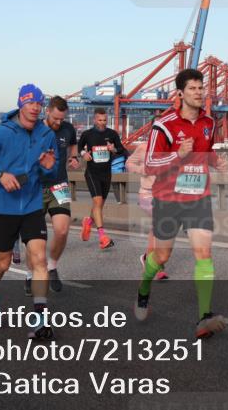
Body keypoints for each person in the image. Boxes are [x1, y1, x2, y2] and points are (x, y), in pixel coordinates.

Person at [135, 68, 228, 339]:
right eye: (192, 88)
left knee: (204, 254)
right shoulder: (164, 125)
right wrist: (177, 154)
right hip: (168, 199)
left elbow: (205, 151)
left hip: (198, 197)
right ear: (180, 93)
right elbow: (150, 163)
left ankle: (204, 317)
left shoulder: (209, 122)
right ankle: (144, 288)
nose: (198, 92)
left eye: (201, 88)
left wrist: (216, 161)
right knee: (162, 257)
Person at [0, 84, 58, 340]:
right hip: (4, 206)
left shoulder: (46, 134)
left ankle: (41, 319)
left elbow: (51, 171)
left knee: (39, 259)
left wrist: (50, 167)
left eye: (39, 103)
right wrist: (0, 175)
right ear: (21, 104)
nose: (35, 108)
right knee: (3, 263)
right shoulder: (2, 132)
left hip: (32, 204)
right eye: (30, 103)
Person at [34, 96, 79, 294]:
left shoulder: (68, 129)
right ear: (47, 112)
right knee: (36, 237)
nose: (58, 123)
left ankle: (52, 266)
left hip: (59, 185)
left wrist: (74, 157)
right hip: (36, 187)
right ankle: (31, 273)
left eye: (62, 119)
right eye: (55, 119)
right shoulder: (34, 129)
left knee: (62, 230)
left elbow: (73, 144)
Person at [77, 107, 126, 250]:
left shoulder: (112, 134)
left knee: (99, 205)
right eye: (99, 120)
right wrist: (84, 154)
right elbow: (79, 147)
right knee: (97, 201)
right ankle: (102, 237)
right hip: (92, 173)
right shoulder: (87, 134)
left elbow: (121, 149)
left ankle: (88, 222)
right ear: (94, 119)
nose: (102, 123)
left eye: (104, 120)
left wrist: (113, 149)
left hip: (106, 173)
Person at [126, 136, 169, 282]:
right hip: (146, 194)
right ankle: (154, 265)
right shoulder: (144, 147)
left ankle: (149, 259)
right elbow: (129, 163)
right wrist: (141, 169)